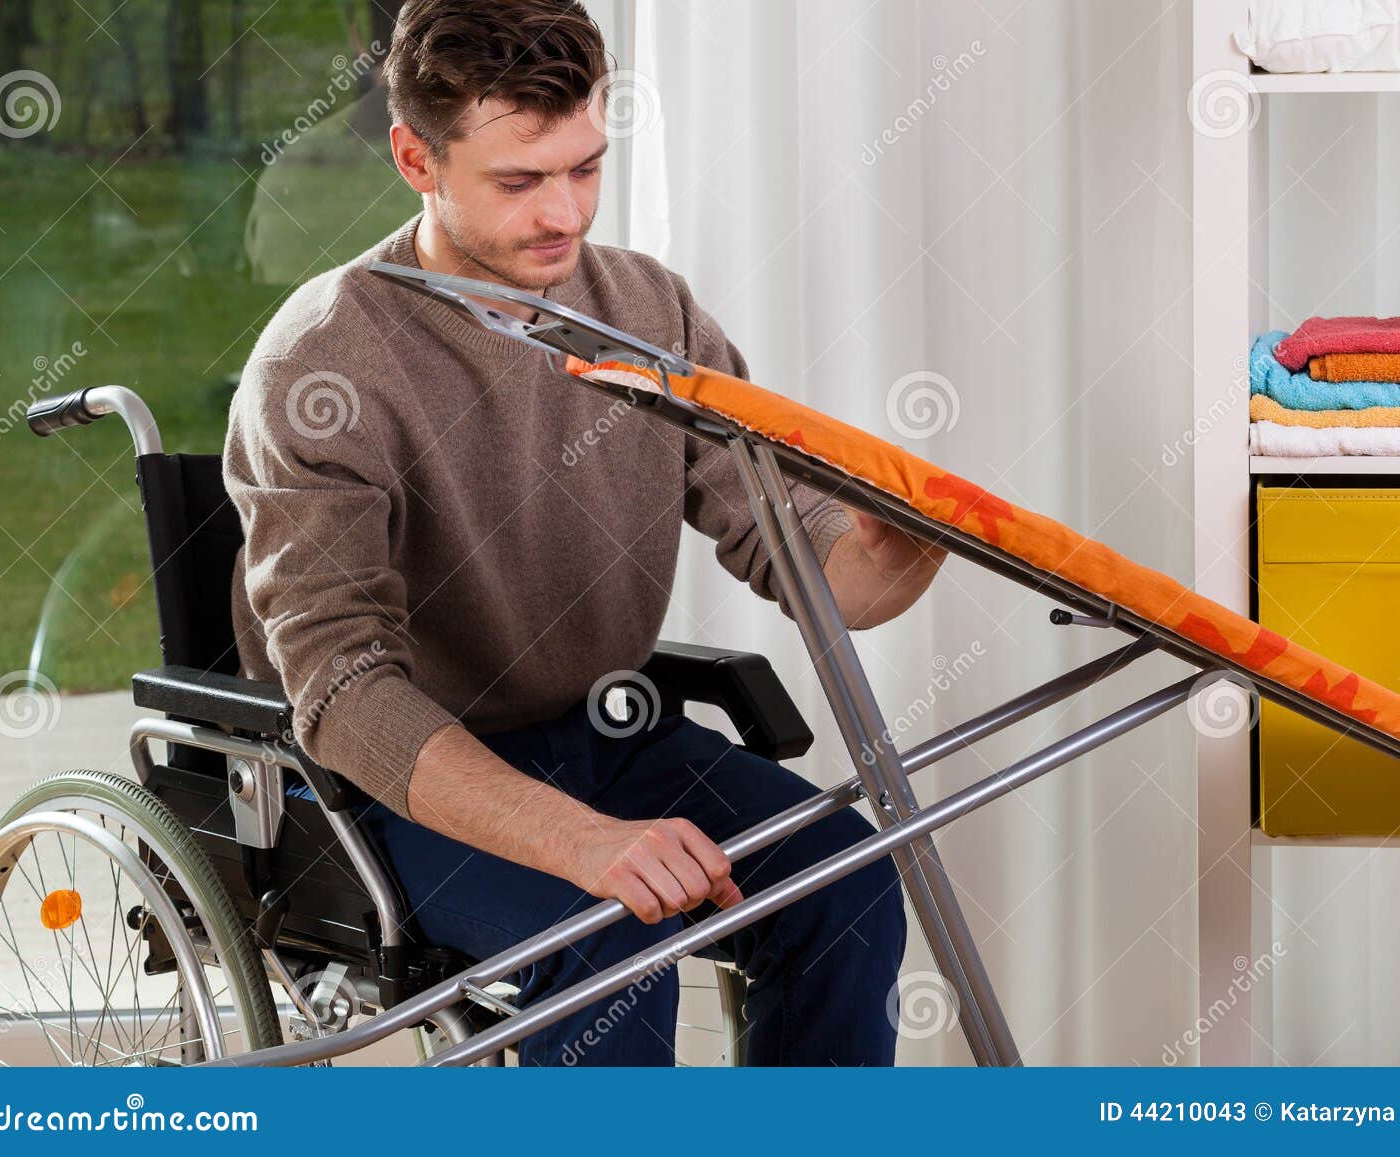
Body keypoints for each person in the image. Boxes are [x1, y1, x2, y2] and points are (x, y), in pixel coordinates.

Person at [225, 0, 945, 1066]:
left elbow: (802, 551)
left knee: (845, 872)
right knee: (607, 937)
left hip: (597, 731)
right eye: (519, 181)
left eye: (585, 168)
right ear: (414, 157)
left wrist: (897, 552)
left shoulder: (647, 311)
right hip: (387, 785)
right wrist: (580, 842)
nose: (564, 213)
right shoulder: (325, 363)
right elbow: (341, 693)